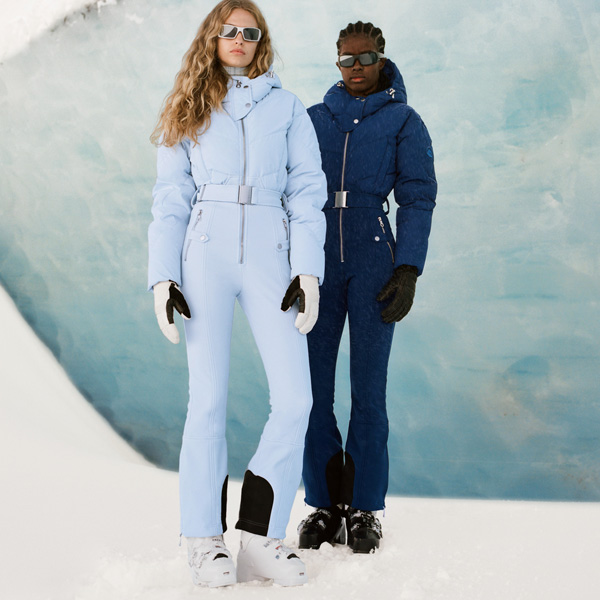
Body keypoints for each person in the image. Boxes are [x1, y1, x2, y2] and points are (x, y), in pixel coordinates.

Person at [148, 0, 327, 587]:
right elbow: (171, 197)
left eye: (251, 32)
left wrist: (307, 270)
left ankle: (259, 532)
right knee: (208, 399)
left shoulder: (288, 108)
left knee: (295, 398)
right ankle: (203, 539)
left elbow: (305, 191)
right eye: (231, 30)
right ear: (213, 35)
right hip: (205, 249)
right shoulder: (189, 106)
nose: (241, 39)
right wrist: (162, 275)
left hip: (271, 251)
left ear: (261, 41)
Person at [297, 21, 437, 554]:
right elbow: (288, 192)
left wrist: (409, 269)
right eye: (346, 60)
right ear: (336, 62)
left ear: (382, 59)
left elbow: (418, 196)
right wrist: (290, 264)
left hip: (375, 261)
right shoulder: (312, 119)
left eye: (366, 58)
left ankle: (365, 509)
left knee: (368, 391)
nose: (356, 69)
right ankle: (322, 504)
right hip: (316, 263)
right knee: (312, 390)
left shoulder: (403, 120)